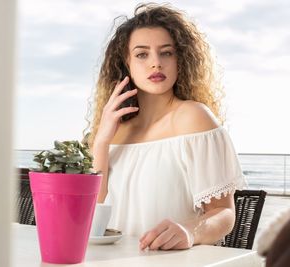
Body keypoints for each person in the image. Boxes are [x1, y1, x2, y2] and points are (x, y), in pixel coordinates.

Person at [86, 3, 245, 251]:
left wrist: (190, 231)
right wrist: (102, 141)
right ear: (126, 63)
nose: (156, 63)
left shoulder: (193, 118)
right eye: (142, 54)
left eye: (166, 52)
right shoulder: (116, 131)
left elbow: (223, 212)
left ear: (180, 59)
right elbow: (92, 210)